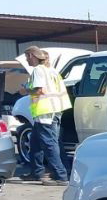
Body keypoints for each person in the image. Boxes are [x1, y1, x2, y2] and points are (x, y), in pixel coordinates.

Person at [18, 46, 71, 185]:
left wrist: (25, 89)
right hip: (55, 110)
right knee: (36, 143)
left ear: (31, 55)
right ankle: (37, 172)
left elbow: (39, 90)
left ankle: (61, 175)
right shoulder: (51, 71)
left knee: (49, 144)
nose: (26, 60)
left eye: (26, 56)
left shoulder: (37, 70)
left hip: (44, 111)